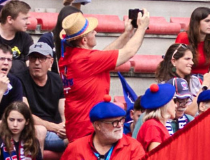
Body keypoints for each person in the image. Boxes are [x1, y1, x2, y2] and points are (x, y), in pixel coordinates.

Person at [58, 12, 149, 141]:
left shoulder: (69, 57)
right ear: (84, 40)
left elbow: (103, 55)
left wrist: (127, 34)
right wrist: (142, 28)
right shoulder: (86, 59)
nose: (95, 32)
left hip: (77, 128)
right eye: (92, 31)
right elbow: (128, 52)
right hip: (89, 131)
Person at [60, 102, 147, 160]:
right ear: (98, 125)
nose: (120, 125)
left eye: (121, 120)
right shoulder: (75, 148)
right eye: (114, 122)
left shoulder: (133, 147)